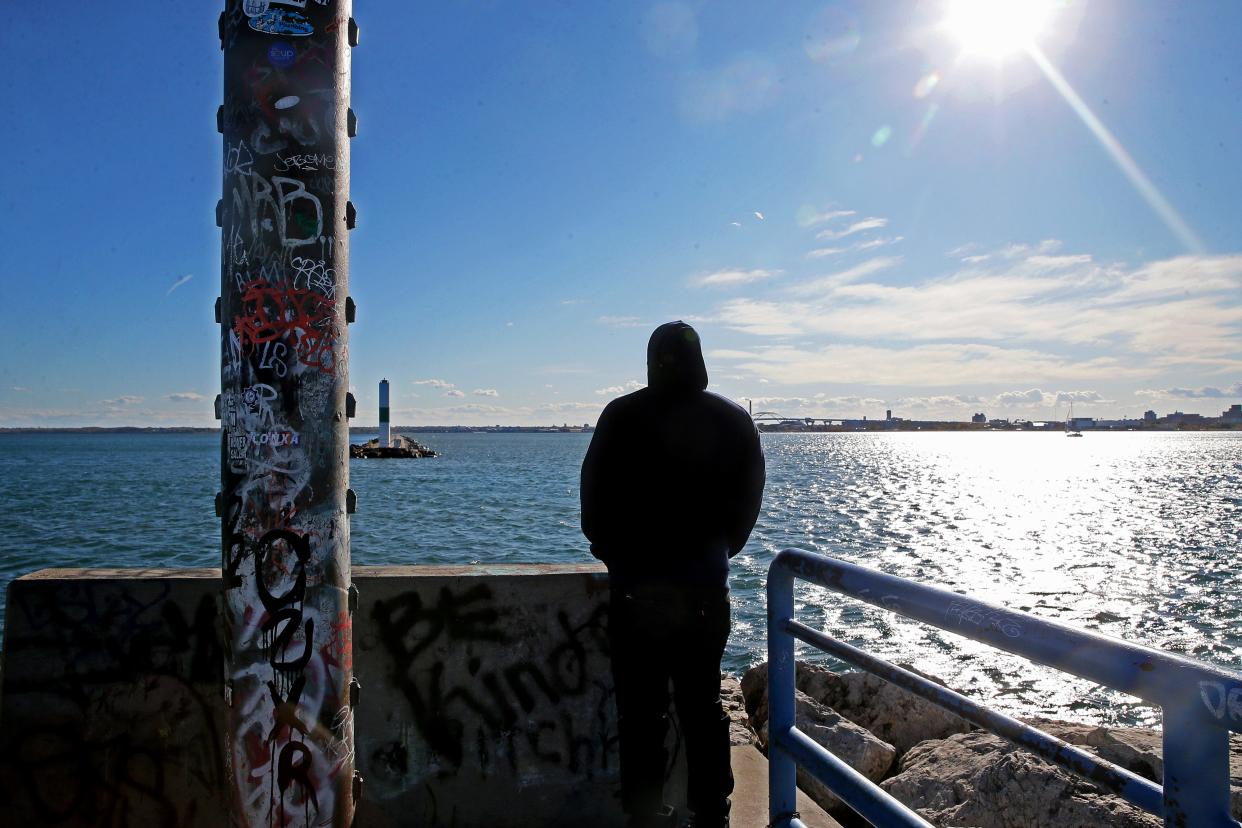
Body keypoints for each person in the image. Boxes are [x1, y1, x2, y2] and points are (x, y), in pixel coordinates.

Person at [581, 321, 765, 828]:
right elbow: (747, 509)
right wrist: (715, 555)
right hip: (706, 591)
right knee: (703, 710)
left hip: (637, 594)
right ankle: (712, 816)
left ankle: (644, 817)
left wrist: (623, 561)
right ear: (701, 359)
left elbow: (592, 514)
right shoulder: (734, 421)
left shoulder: (621, 416)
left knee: (641, 717)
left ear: (650, 360)